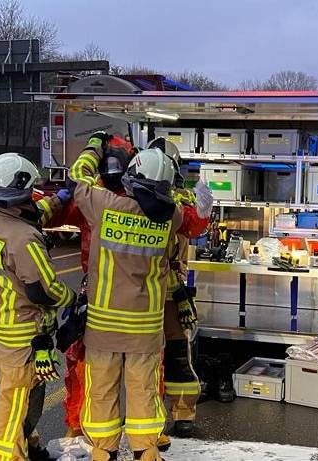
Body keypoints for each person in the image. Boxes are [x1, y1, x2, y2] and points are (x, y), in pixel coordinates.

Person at [70, 133, 212, 461]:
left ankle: (103, 450)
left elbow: (79, 176)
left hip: (104, 327)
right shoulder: (171, 218)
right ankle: (145, 450)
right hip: (145, 329)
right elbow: (187, 210)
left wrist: (95, 145)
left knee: (102, 390)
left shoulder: (103, 205)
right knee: (144, 392)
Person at [0, 152, 78, 461]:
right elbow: (43, 289)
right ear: (22, 188)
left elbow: (34, 213)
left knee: (27, 393)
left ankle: (28, 444)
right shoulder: (23, 239)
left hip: (4, 323)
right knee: (16, 398)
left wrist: (62, 197)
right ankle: (8, 456)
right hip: (23, 330)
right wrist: (73, 299)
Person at [56, 136, 136, 440]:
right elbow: (189, 223)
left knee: (88, 364)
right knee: (144, 367)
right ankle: (148, 436)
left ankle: (81, 427)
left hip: (98, 295)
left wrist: (91, 145)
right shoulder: (147, 200)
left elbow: (74, 183)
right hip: (138, 297)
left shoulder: (92, 198)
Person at [149, 136, 209, 441]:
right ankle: (155, 418)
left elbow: (194, 228)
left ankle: (182, 413)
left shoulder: (179, 200)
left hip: (165, 292)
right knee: (151, 359)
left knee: (171, 355)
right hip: (153, 291)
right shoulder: (142, 197)